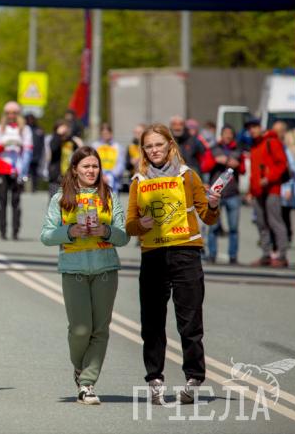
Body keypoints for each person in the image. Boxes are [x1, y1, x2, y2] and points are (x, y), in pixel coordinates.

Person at [126, 123, 220, 406]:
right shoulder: (139, 180)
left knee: (189, 322)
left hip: (185, 254)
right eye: (149, 146)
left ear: (170, 144)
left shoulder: (187, 175)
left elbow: (207, 216)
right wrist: (140, 225)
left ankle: (194, 378)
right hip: (153, 256)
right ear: (143, 150)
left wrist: (213, 204)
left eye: (159, 144)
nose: (154, 150)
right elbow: (130, 225)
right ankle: (155, 379)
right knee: (152, 323)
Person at [40, 146, 129, 405]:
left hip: (106, 270)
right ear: (75, 169)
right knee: (80, 329)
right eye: (86, 166)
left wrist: (106, 231)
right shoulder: (61, 199)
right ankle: (80, 368)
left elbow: (124, 236)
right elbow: (46, 236)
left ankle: (87, 383)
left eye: (95, 166)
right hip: (74, 270)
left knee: (100, 329)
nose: (91, 171)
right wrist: (69, 232)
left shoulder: (109, 196)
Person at [247, 118, 289, 267]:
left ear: (261, 127)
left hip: (272, 189)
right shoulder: (255, 145)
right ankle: (266, 255)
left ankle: (282, 256)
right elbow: (253, 171)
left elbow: (282, 164)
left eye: (254, 126)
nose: (252, 130)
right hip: (258, 191)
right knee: (261, 223)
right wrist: (250, 191)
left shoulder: (272, 142)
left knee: (275, 222)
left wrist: (269, 178)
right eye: (249, 128)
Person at [0, 102, 32, 240]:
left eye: (14, 113)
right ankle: (2, 230)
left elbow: (28, 150)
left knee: (16, 201)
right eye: (8, 113)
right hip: (2, 168)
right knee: (2, 200)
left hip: (18, 169)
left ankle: (15, 231)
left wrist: (23, 170)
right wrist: (4, 145)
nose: (11, 116)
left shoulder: (25, 129)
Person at [205, 125, 244, 265]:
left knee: (233, 228)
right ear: (221, 135)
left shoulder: (238, 150)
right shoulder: (213, 149)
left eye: (230, 133)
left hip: (233, 193)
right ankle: (212, 255)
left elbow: (244, 170)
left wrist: (237, 164)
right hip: (216, 193)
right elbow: (204, 166)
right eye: (225, 133)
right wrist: (215, 160)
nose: (228, 136)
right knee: (213, 226)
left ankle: (233, 257)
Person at [48, 121, 83, 198]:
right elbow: (53, 148)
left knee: (70, 201)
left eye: (65, 128)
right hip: (56, 177)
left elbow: (81, 155)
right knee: (55, 201)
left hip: (70, 177)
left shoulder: (72, 141)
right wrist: (58, 135)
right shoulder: (54, 140)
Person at [280, 127, 295, 242]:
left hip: (290, 189)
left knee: (286, 215)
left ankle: (287, 237)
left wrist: (287, 187)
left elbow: (289, 172)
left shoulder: (288, 152)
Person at [92, 122, 125, 193]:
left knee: (113, 199)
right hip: (99, 179)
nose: (105, 136)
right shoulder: (95, 146)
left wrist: (110, 176)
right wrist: (101, 175)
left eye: (107, 133)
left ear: (111, 133)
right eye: (103, 134)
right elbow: (93, 162)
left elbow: (120, 164)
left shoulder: (117, 147)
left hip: (114, 181)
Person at [25, 113, 46, 192]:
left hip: (36, 154)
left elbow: (42, 143)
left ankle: (34, 187)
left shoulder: (39, 130)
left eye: (32, 119)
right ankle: (25, 187)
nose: (30, 121)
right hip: (26, 154)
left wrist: (41, 154)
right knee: (26, 171)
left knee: (35, 172)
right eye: (29, 119)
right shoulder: (25, 129)